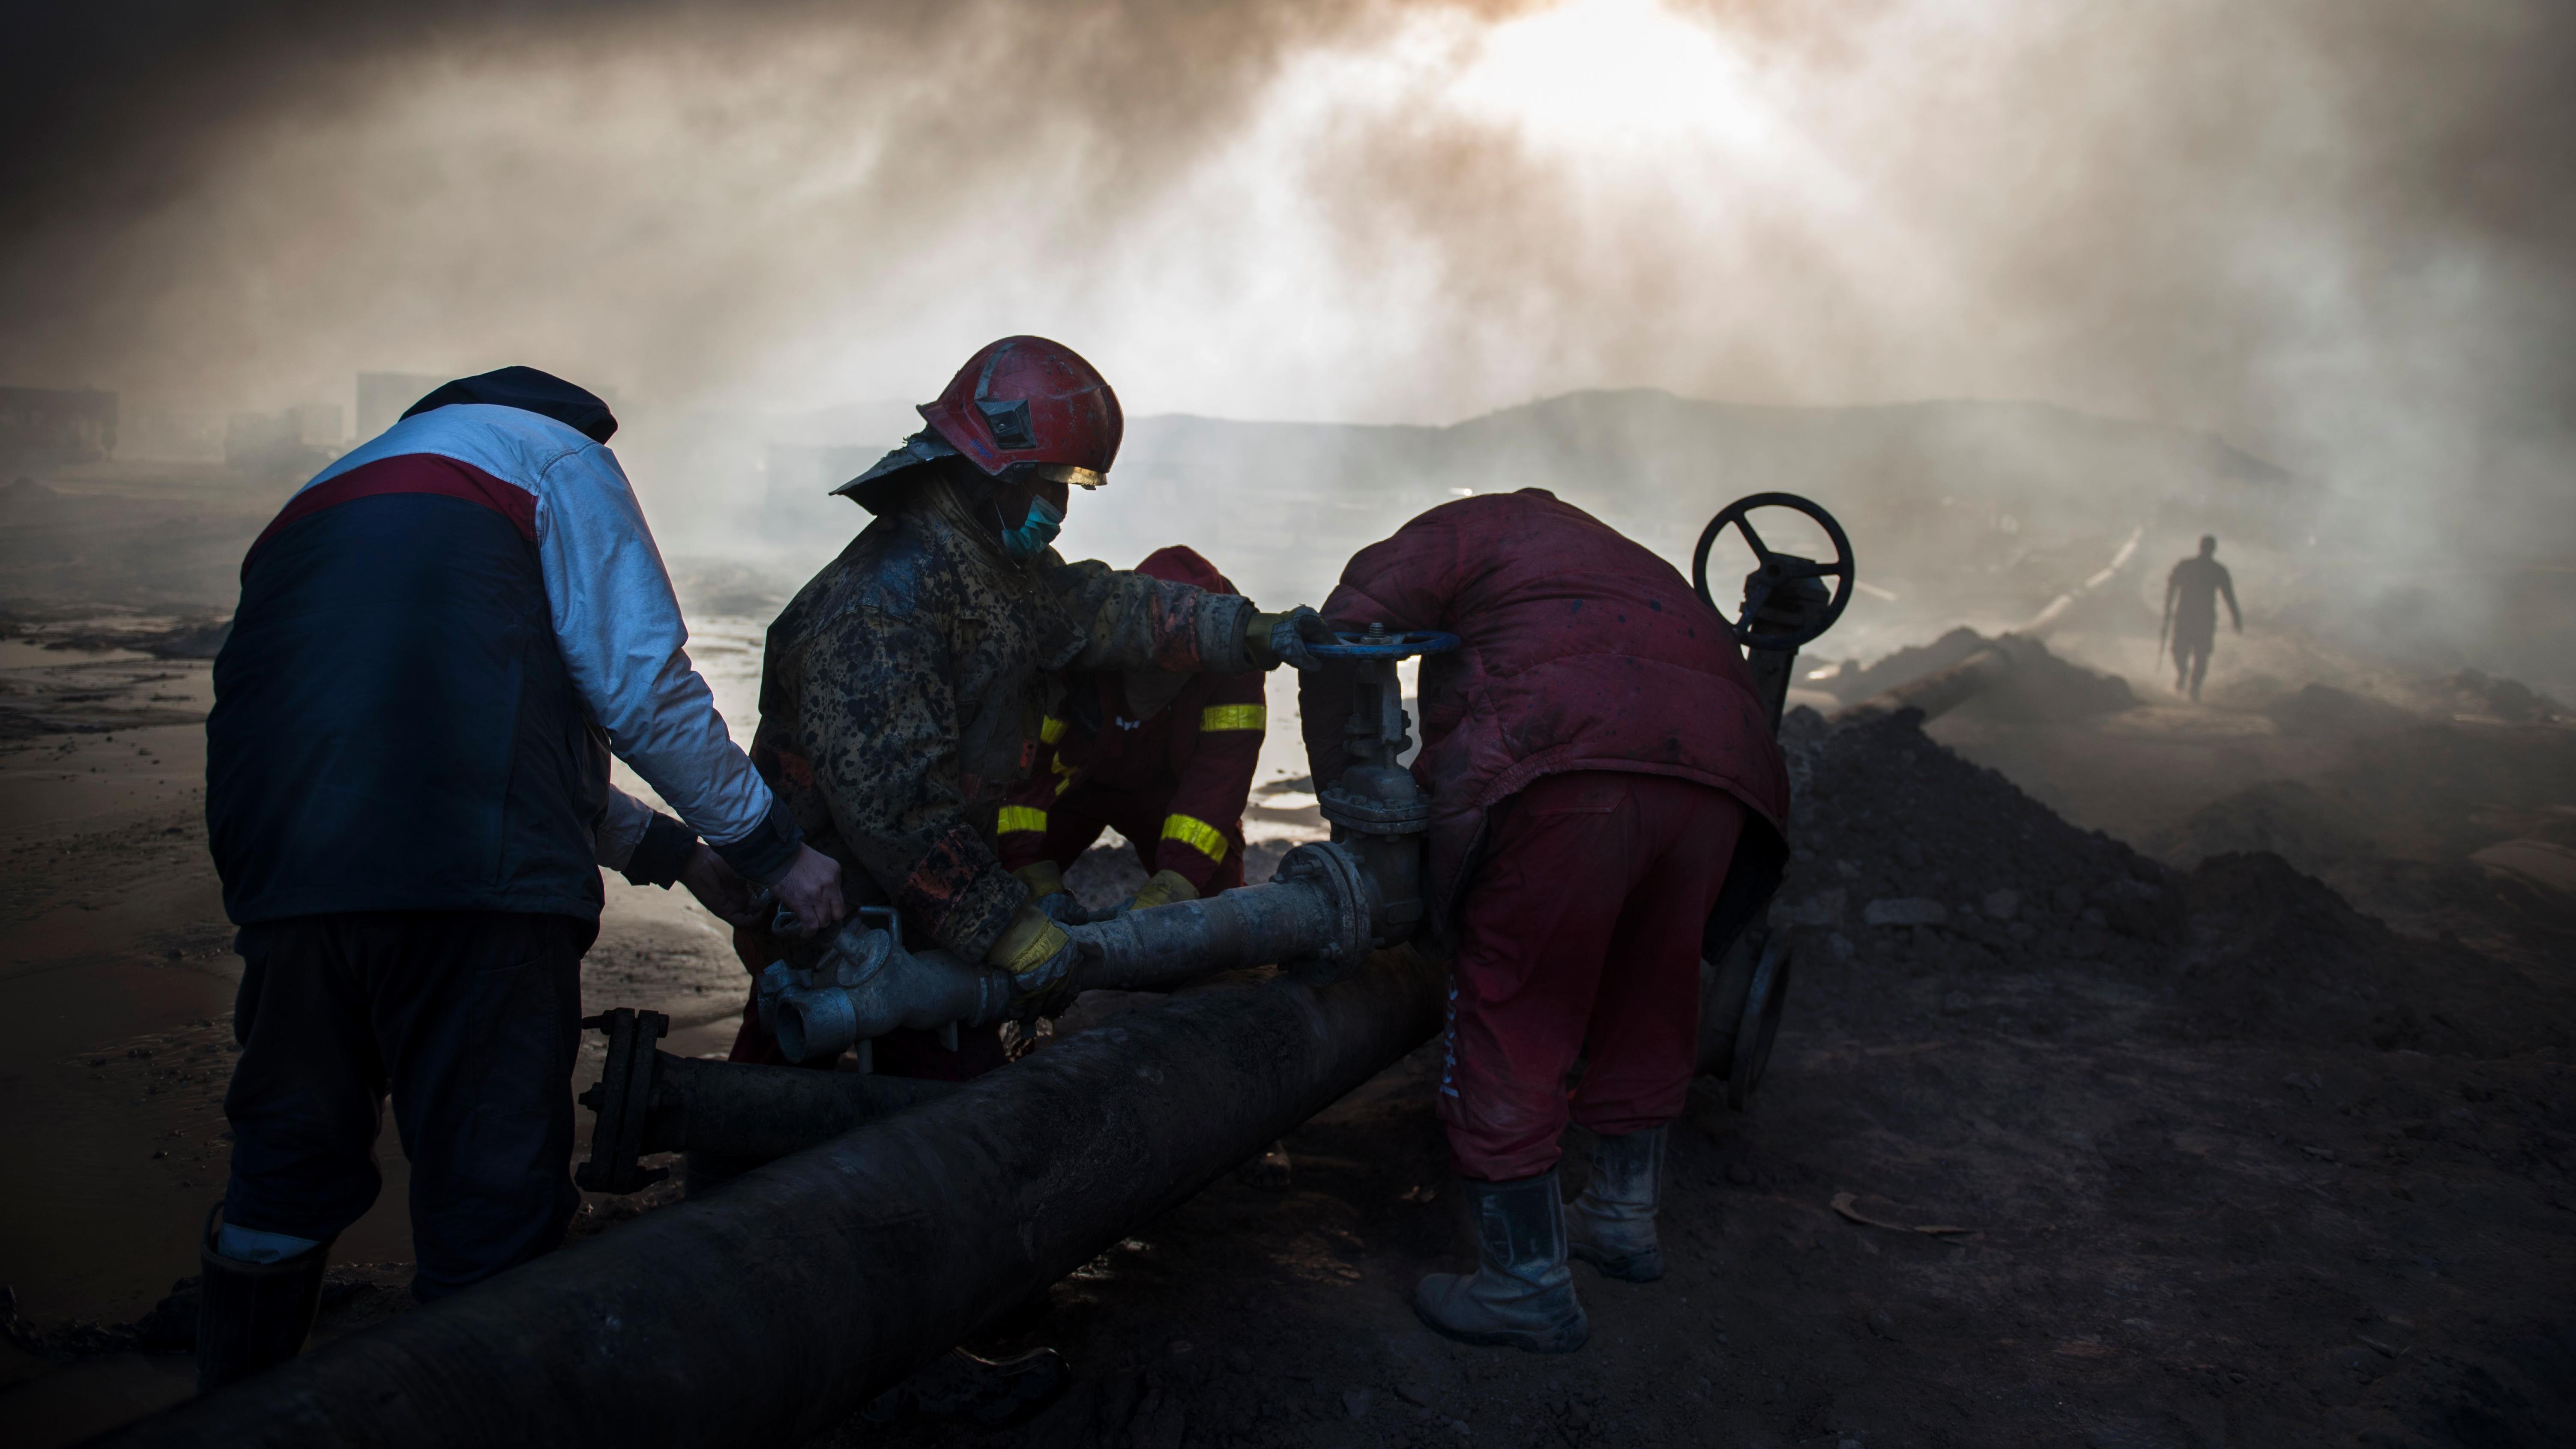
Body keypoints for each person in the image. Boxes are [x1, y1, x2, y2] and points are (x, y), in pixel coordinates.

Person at [722, 337, 1331, 1426]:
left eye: (1068, 492)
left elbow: (1110, 612)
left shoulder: (988, 576)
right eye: (1046, 488)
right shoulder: (886, 600)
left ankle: (812, 1332)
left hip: (891, 909)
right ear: (983, 465)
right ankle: (853, 1359)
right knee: (921, 1138)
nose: (1058, 514)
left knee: (844, 1119)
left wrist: (1253, 628)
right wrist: (1005, 924)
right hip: (842, 910)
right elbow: (898, 806)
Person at [198, 367, 845, 1389]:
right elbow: (640, 686)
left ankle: (228, 1409)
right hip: (478, 900)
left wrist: (681, 859)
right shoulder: (556, 458)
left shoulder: (316, 504)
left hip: (289, 883)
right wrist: (774, 850)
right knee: (490, 1200)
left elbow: (459, 731)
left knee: (287, 1163)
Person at [1300, 488, 1789, 1354]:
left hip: (1566, 763)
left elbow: (1346, 626)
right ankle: (1621, 1219)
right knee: (1650, 988)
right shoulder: (1623, 557)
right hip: (1725, 775)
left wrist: (1346, 794)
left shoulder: (1469, 528)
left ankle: (1523, 1284)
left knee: (1514, 1000)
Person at [996, 544, 1267, 920]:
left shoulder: (1235, 665)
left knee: (1215, 900)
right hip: (1070, 788)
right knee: (1000, 885)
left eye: (1178, 660)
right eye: (1154, 657)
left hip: (1164, 794)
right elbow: (1020, 773)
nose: (1160, 673)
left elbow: (1220, 779)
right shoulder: (1077, 641)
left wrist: (1175, 884)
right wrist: (1028, 870)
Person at [2163, 533, 2242, 701]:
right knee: (2192, 653)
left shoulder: (2192, 567)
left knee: (2192, 652)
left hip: (2192, 617)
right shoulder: (2213, 570)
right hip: (2197, 618)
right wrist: (2236, 617)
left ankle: (2191, 683)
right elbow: (2229, 597)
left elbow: (2172, 588)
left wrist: (2168, 610)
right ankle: (2188, 678)